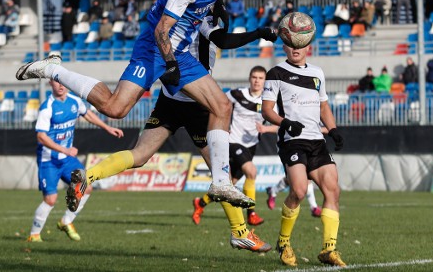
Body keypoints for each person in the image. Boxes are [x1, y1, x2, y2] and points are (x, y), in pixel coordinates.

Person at [16, 0, 254, 208]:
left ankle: (221, 183)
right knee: (115, 109)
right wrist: (171, 66)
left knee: (222, 107)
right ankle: (53, 69)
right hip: (155, 48)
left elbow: (202, 8)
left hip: (179, 53)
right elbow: (161, 30)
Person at [66, 14, 277, 251]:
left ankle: (88, 176)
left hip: (170, 97)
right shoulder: (203, 17)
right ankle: (240, 233)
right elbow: (224, 40)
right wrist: (258, 33)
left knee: (140, 154)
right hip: (196, 100)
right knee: (221, 173)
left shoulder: (177, 18)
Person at [262, 43, 345, 267]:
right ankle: (284, 242)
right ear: (284, 47)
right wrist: (285, 123)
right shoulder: (276, 73)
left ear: (308, 45)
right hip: (292, 140)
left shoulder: (317, 72)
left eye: (299, 44)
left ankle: (329, 249)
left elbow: (324, 106)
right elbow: (267, 109)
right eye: (290, 44)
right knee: (298, 191)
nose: (294, 48)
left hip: (316, 140)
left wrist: (333, 129)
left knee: (332, 190)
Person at [27, 79, 124, 242]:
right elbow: (41, 137)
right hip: (48, 160)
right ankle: (34, 235)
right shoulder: (47, 107)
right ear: (51, 83)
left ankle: (66, 221)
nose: (60, 85)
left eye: (62, 82)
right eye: (56, 82)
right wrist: (64, 149)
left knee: (86, 187)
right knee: (50, 200)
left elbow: (88, 114)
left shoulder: (74, 101)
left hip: (67, 160)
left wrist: (107, 127)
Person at [192, 66, 276, 227]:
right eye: (254, 77)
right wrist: (221, 124)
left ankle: (200, 203)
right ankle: (251, 214)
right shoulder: (237, 94)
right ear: (250, 78)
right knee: (252, 172)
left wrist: (266, 128)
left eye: (260, 78)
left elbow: (279, 124)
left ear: (265, 81)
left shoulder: (268, 101)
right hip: (234, 141)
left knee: (229, 184)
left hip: (251, 146)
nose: (257, 81)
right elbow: (219, 105)